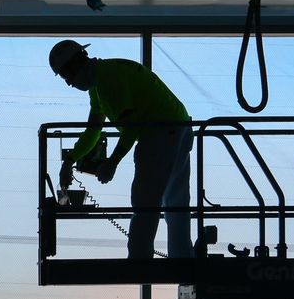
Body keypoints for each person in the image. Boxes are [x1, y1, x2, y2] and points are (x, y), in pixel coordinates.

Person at [50, 40, 194, 259]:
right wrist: (70, 160)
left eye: (66, 77)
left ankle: (139, 259)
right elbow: (94, 130)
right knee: (175, 203)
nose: (69, 83)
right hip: (178, 125)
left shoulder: (108, 81)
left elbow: (130, 129)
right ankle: (183, 260)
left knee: (145, 201)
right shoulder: (100, 82)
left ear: (75, 66)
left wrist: (112, 163)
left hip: (160, 131)